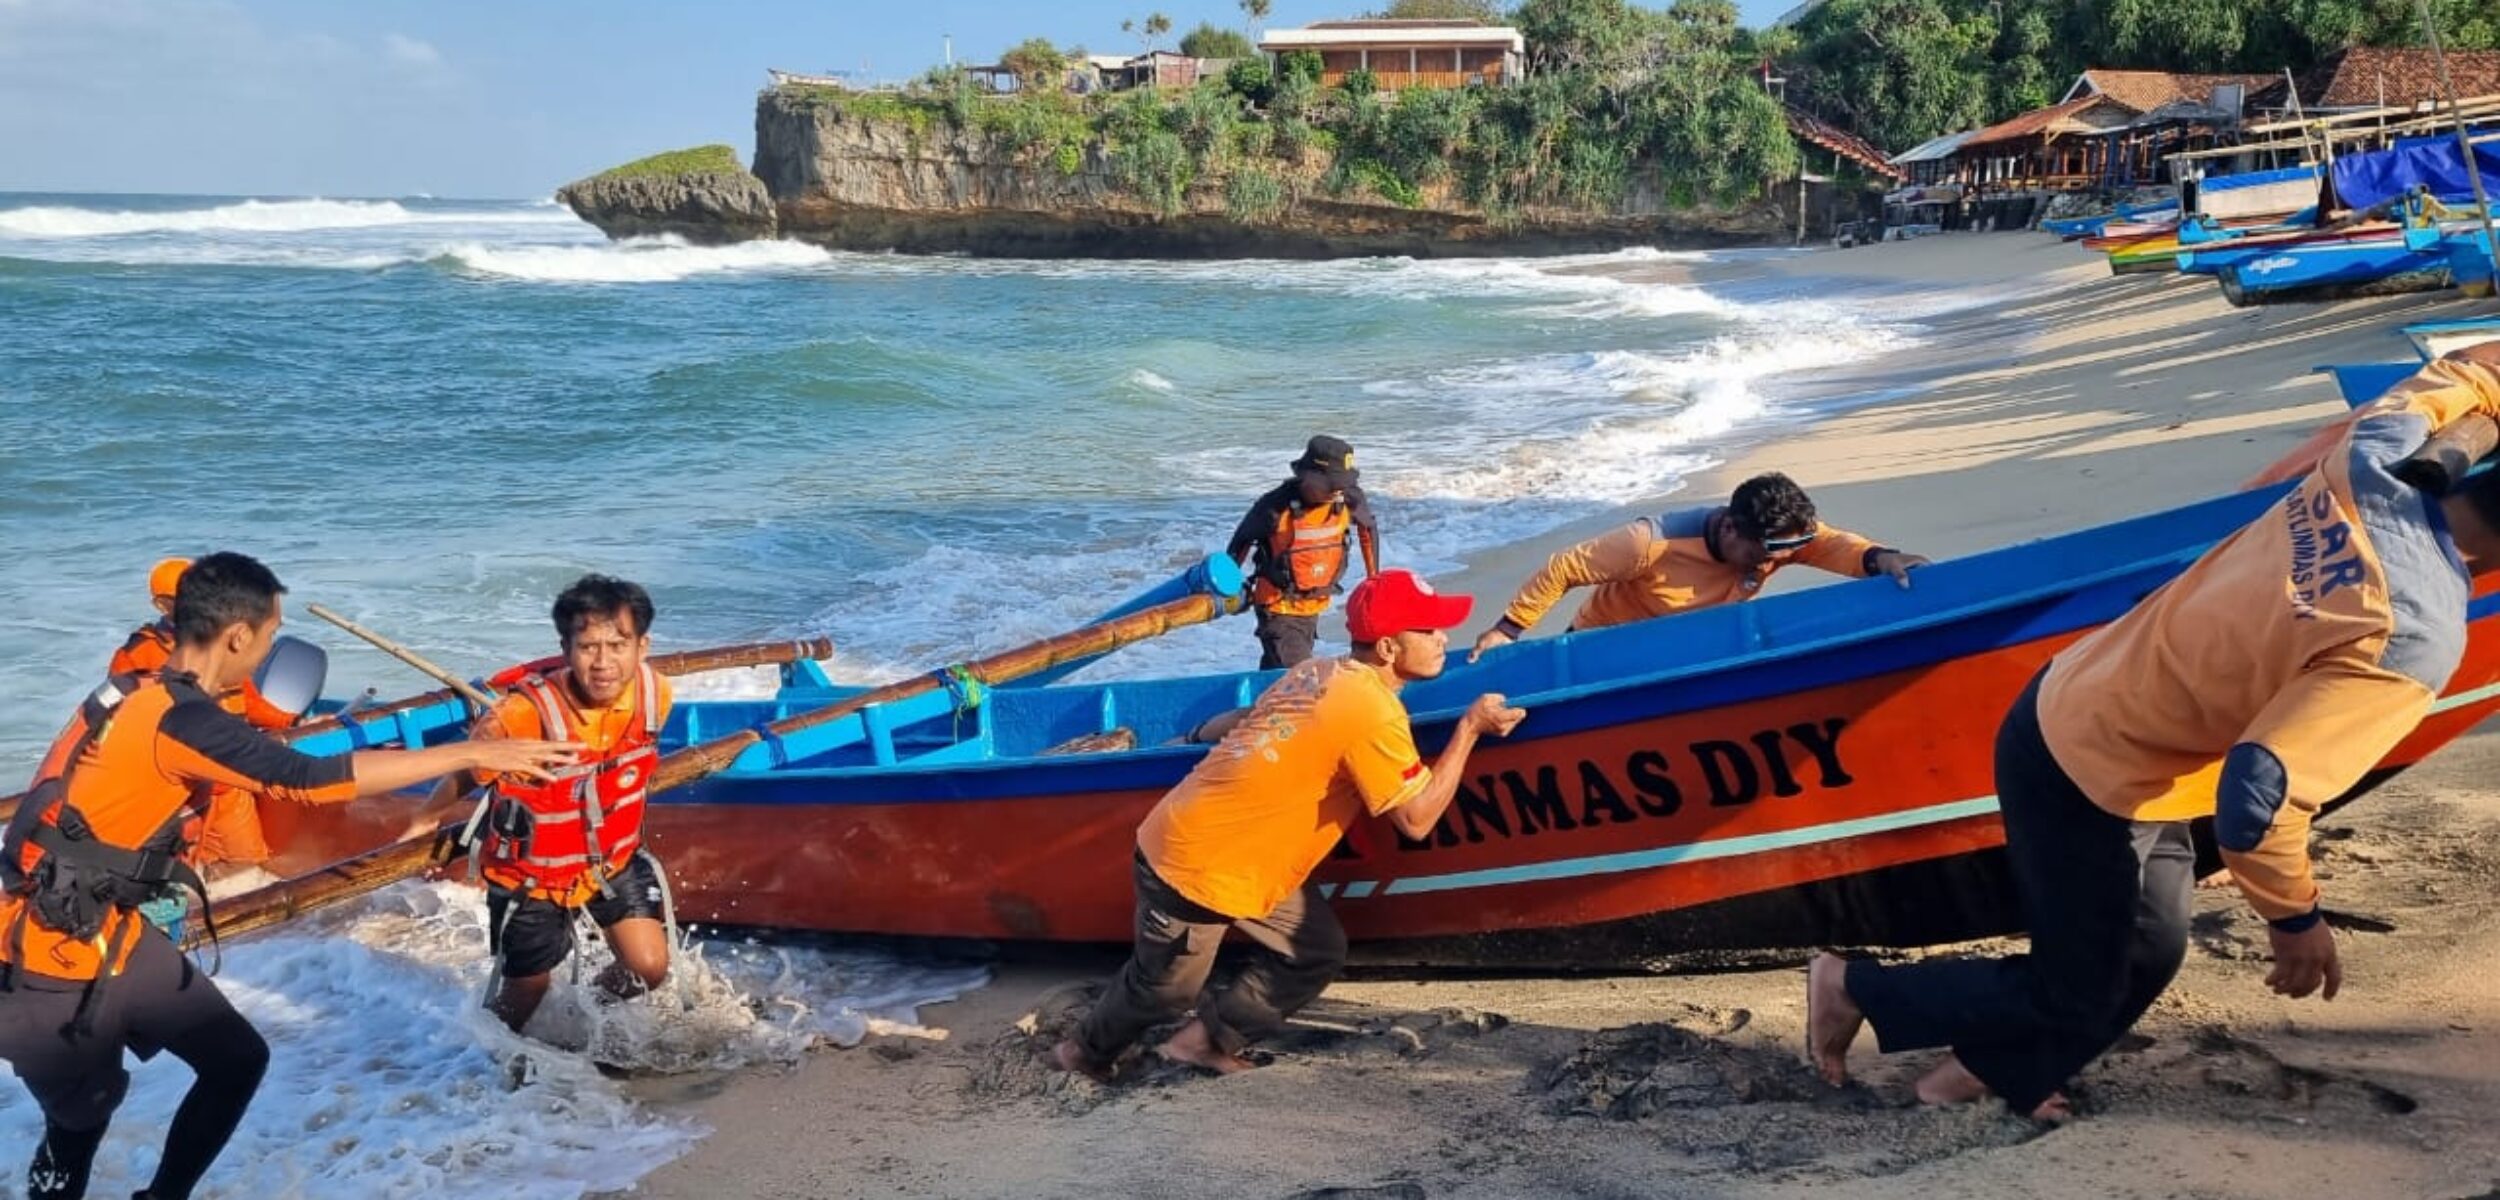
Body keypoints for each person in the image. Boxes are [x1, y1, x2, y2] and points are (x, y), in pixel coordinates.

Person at [1804, 345, 2500, 1121]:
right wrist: (2295, 919)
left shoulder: (2368, 461)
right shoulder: (2415, 630)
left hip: (2083, 701)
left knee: (2148, 949)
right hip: (2095, 769)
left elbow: (2464, 375)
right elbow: (2260, 794)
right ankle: (1853, 985)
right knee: (2082, 983)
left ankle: (1976, 1070)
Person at [0, 552, 575, 1200]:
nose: (270, 649)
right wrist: (476, 750)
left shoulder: (141, 690)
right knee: (81, 1119)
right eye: (272, 635)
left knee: (235, 1061)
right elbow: (308, 781)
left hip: (113, 933)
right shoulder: (179, 719)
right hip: (50, 953)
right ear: (239, 636)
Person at [1053, 569, 1526, 1078]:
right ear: (1389, 648)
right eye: (1429, 631)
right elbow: (1415, 819)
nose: (1443, 639)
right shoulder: (1372, 710)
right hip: (1194, 864)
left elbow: (1246, 717)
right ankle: (1081, 1053)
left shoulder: (1318, 670)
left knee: (1313, 950)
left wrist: (1190, 735)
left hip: (1242, 856)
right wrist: (1469, 730)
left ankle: (1201, 1042)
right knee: (1164, 991)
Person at [447, 574, 677, 1034]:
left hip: (611, 859)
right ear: (566, 648)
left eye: (618, 645)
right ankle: (480, 1060)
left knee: (648, 967)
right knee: (525, 994)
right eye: (588, 647)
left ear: (643, 646)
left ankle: (581, 1013)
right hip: (533, 876)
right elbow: (466, 769)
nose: (604, 662)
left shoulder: (656, 696)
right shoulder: (522, 713)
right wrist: (420, 820)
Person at [1469, 472, 1929, 661]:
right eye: (1764, 554)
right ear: (1730, 529)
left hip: (1697, 644)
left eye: (1784, 552)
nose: (1775, 562)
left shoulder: (1779, 538)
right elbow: (1565, 568)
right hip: (1606, 648)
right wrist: (1507, 629)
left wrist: (1882, 558)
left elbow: (1831, 545)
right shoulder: (1650, 542)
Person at [1227, 435, 1381, 669]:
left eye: (1342, 484)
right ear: (1309, 477)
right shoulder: (1275, 506)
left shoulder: (1347, 497)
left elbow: (1368, 529)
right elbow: (1241, 543)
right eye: (1332, 484)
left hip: (1314, 604)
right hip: (1278, 607)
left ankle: (1261, 702)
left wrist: (1374, 580)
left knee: (1277, 672)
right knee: (1299, 675)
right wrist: (1227, 588)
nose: (1337, 491)